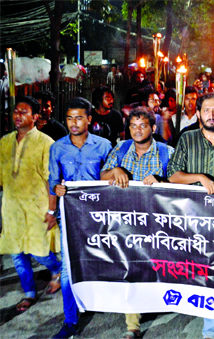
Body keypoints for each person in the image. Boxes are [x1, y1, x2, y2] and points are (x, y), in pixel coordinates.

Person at [100, 106, 174, 339]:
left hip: (158, 223)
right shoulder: (120, 150)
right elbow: (102, 176)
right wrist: (117, 170)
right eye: (133, 126)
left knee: (157, 266)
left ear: (153, 128)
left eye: (143, 125)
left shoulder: (167, 152)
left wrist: (162, 180)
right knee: (130, 267)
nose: (137, 130)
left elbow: (179, 182)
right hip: (127, 221)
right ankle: (132, 325)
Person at [167, 93, 214, 339]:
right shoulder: (187, 139)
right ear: (198, 114)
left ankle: (211, 330)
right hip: (191, 217)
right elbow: (173, 174)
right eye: (206, 110)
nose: (211, 115)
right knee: (192, 268)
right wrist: (200, 177)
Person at [49, 97, 112, 339]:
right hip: (70, 215)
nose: (73, 123)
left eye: (78, 117)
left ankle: (101, 303)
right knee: (68, 268)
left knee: (101, 260)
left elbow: (112, 177)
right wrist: (57, 191)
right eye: (69, 118)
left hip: (98, 216)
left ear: (89, 119)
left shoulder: (104, 146)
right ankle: (70, 321)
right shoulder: (57, 147)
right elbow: (53, 181)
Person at [0, 96, 61, 313]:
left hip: (37, 208)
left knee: (39, 251)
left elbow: (51, 180)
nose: (17, 115)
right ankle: (29, 293)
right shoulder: (4, 142)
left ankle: (58, 269)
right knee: (17, 253)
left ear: (35, 116)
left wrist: (51, 210)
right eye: (16, 111)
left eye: (24, 112)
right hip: (11, 208)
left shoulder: (46, 143)